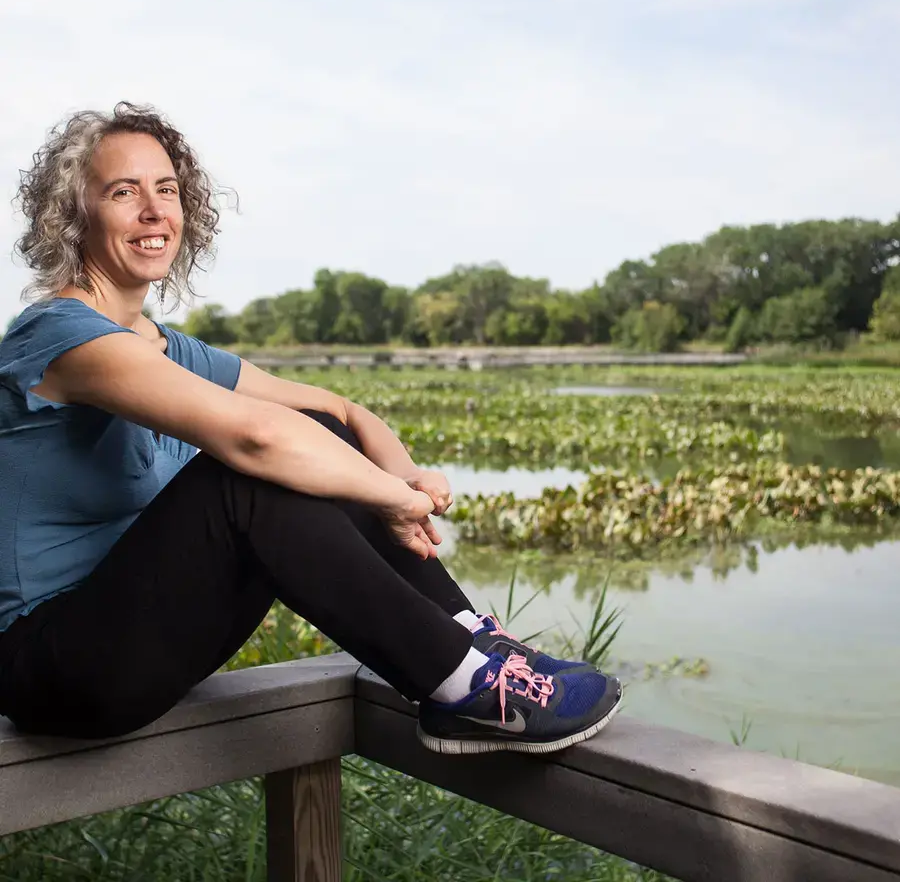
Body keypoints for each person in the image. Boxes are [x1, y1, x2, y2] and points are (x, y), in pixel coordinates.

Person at [0, 102, 621, 755]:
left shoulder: (162, 345)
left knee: (311, 430)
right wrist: (391, 499)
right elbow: (256, 438)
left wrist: (405, 475)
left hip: (138, 638)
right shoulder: (60, 335)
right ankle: (461, 685)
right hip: (52, 668)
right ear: (74, 215)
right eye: (124, 192)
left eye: (167, 190)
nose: (155, 211)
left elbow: (339, 413)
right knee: (246, 480)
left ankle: (468, 638)